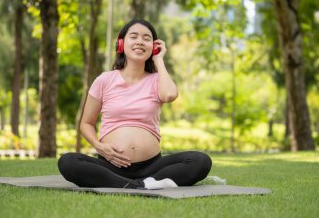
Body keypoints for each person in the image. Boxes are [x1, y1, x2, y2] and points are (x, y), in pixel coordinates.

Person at [58, 19, 212, 189]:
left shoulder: (157, 80)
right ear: (122, 44)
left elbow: (169, 95)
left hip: (153, 167)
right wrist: (99, 146)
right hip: (111, 165)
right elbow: (86, 123)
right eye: (134, 36)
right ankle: (140, 185)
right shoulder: (104, 80)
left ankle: (131, 185)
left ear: (153, 47)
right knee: (68, 161)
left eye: (147, 38)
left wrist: (159, 60)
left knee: (201, 161)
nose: (140, 41)